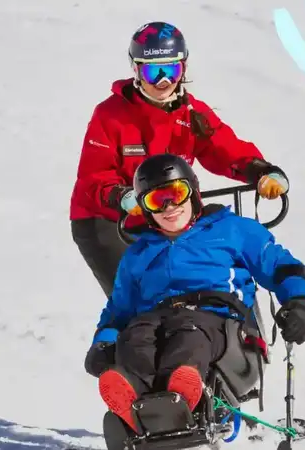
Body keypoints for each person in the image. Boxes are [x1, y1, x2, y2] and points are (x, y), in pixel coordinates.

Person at [82, 154, 305, 433]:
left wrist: (297, 302)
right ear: (145, 209)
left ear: (192, 191)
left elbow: (280, 266)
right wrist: (105, 342)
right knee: (135, 337)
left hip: (216, 318)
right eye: (156, 201)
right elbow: (118, 309)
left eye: (176, 194)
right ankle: (134, 401)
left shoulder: (231, 229)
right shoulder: (138, 253)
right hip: (155, 317)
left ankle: (179, 391)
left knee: (188, 333)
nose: (169, 207)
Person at [70, 20, 292, 298]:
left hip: (168, 214)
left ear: (183, 68)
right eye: (153, 72)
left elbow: (224, 147)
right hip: (109, 221)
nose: (163, 82)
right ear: (136, 70)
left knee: (204, 288)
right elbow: (94, 175)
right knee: (140, 299)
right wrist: (122, 197)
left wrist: (260, 171)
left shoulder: (191, 114)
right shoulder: (110, 115)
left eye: (171, 70)